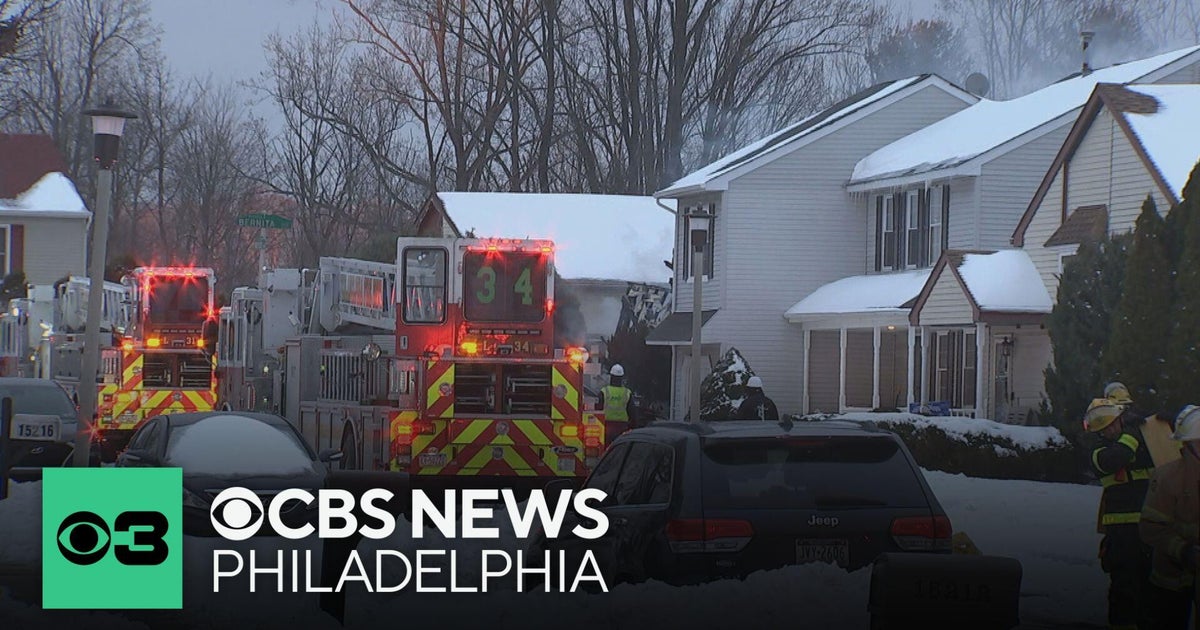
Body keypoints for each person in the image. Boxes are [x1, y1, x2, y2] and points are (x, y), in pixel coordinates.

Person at [1085, 397, 1156, 630]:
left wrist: (1159, 423)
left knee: (1150, 589)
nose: (1112, 428)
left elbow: (1162, 450)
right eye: (1106, 427)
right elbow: (1119, 456)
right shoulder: (1099, 453)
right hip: (1121, 534)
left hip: (1149, 529)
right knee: (1124, 589)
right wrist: (1134, 431)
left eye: (1115, 423)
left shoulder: (1136, 442)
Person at [1140, 405, 1200, 630]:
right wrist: (1183, 551)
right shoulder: (1167, 478)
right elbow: (1150, 528)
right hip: (1171, 577)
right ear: (1187, 444)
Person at [598, 364, 633, 438]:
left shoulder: (604, 391)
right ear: (621, 377)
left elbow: (598, 409)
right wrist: (633, 427)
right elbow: (632, 412)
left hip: (606, 426)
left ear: (611, 376)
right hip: (622, 427)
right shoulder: (627, 393)